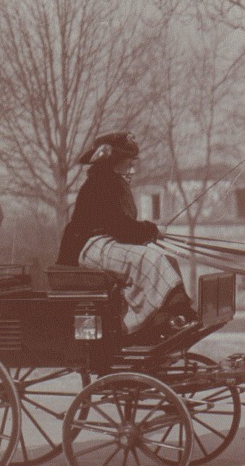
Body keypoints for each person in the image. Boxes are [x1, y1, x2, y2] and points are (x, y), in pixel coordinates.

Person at [58, 130, 198, 341]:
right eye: (127, 165)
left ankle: (172, 316)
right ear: (111, 164)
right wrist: (152, 230)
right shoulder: (102, 184)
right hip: (89, 247)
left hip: (106, 243)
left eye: (133, 165)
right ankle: (157, 321)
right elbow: (121, 229)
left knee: (166, 260)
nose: (132, 171)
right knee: (150, 259)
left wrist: (149, 231)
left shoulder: (113, 183)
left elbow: (122, 229)